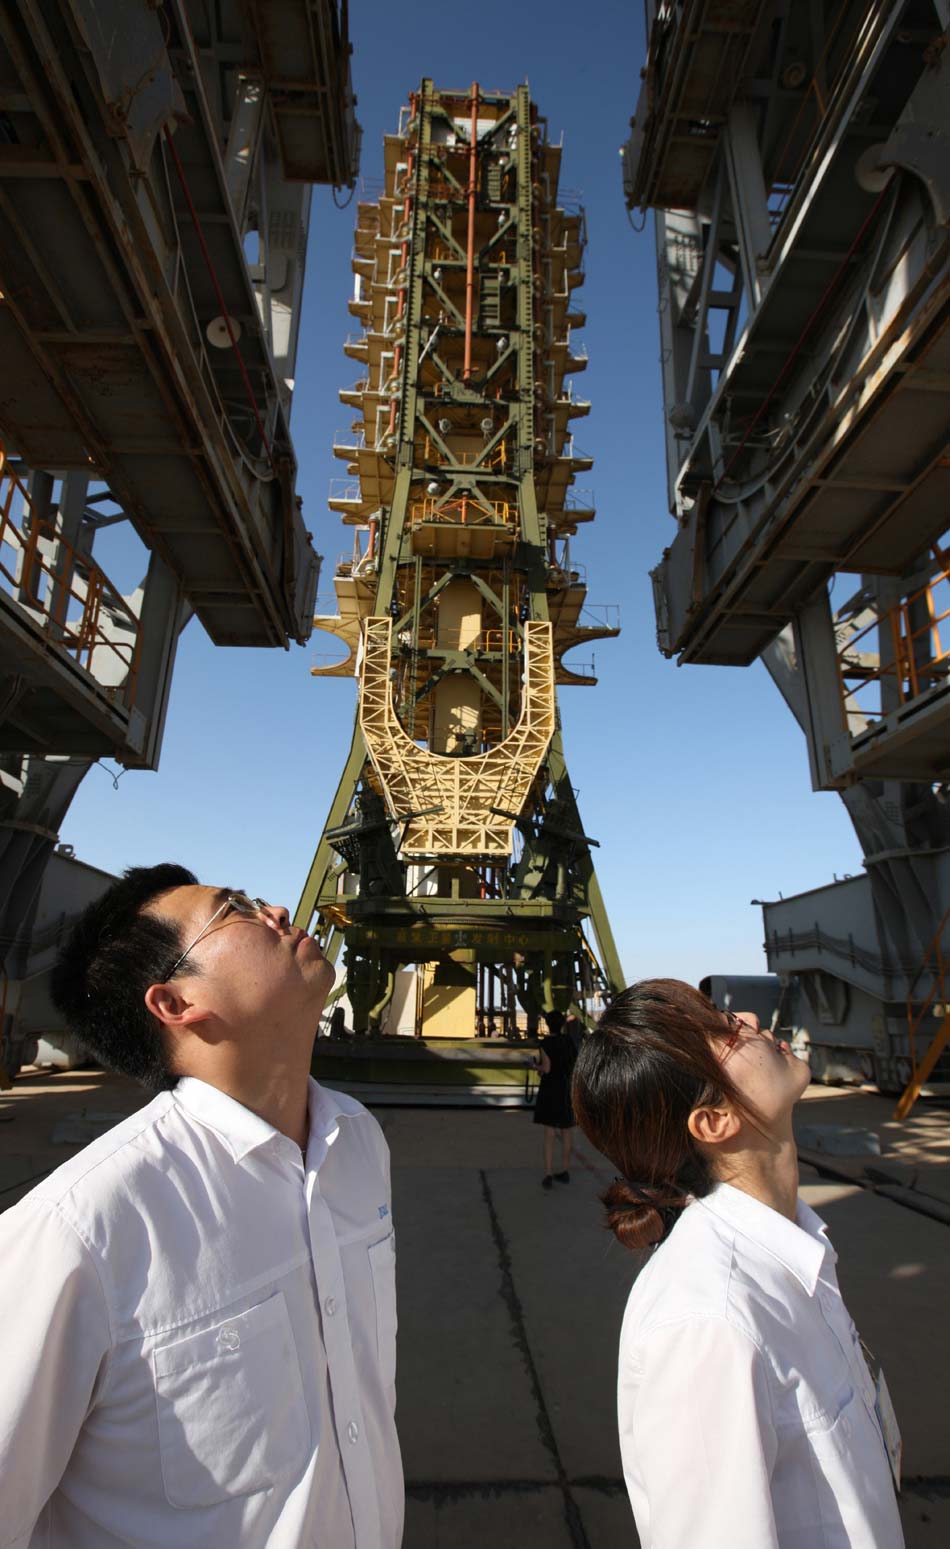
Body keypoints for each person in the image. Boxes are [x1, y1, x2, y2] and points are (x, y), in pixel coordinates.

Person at [0, 864, 403, 1549]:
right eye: (235, 909)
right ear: (175, 1003)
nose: (275, 908)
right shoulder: (79, 1231)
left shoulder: (358, 1143)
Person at [572, 979, 904, 1549]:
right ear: (713, 1121)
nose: (748, 1017)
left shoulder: (796, 1251)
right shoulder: (710, 1324)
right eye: (725, 1032)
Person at [533, 1009, 578, 1190]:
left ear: (547, 1024)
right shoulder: (569, 1041)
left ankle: (548, 1173)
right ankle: (565, 1170)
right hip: (566, 1089)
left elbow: (547, 1068)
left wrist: (535, 1066)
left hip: (550, 1089)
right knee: (567, 1131)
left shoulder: (546, 1044)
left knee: (550, 1133)